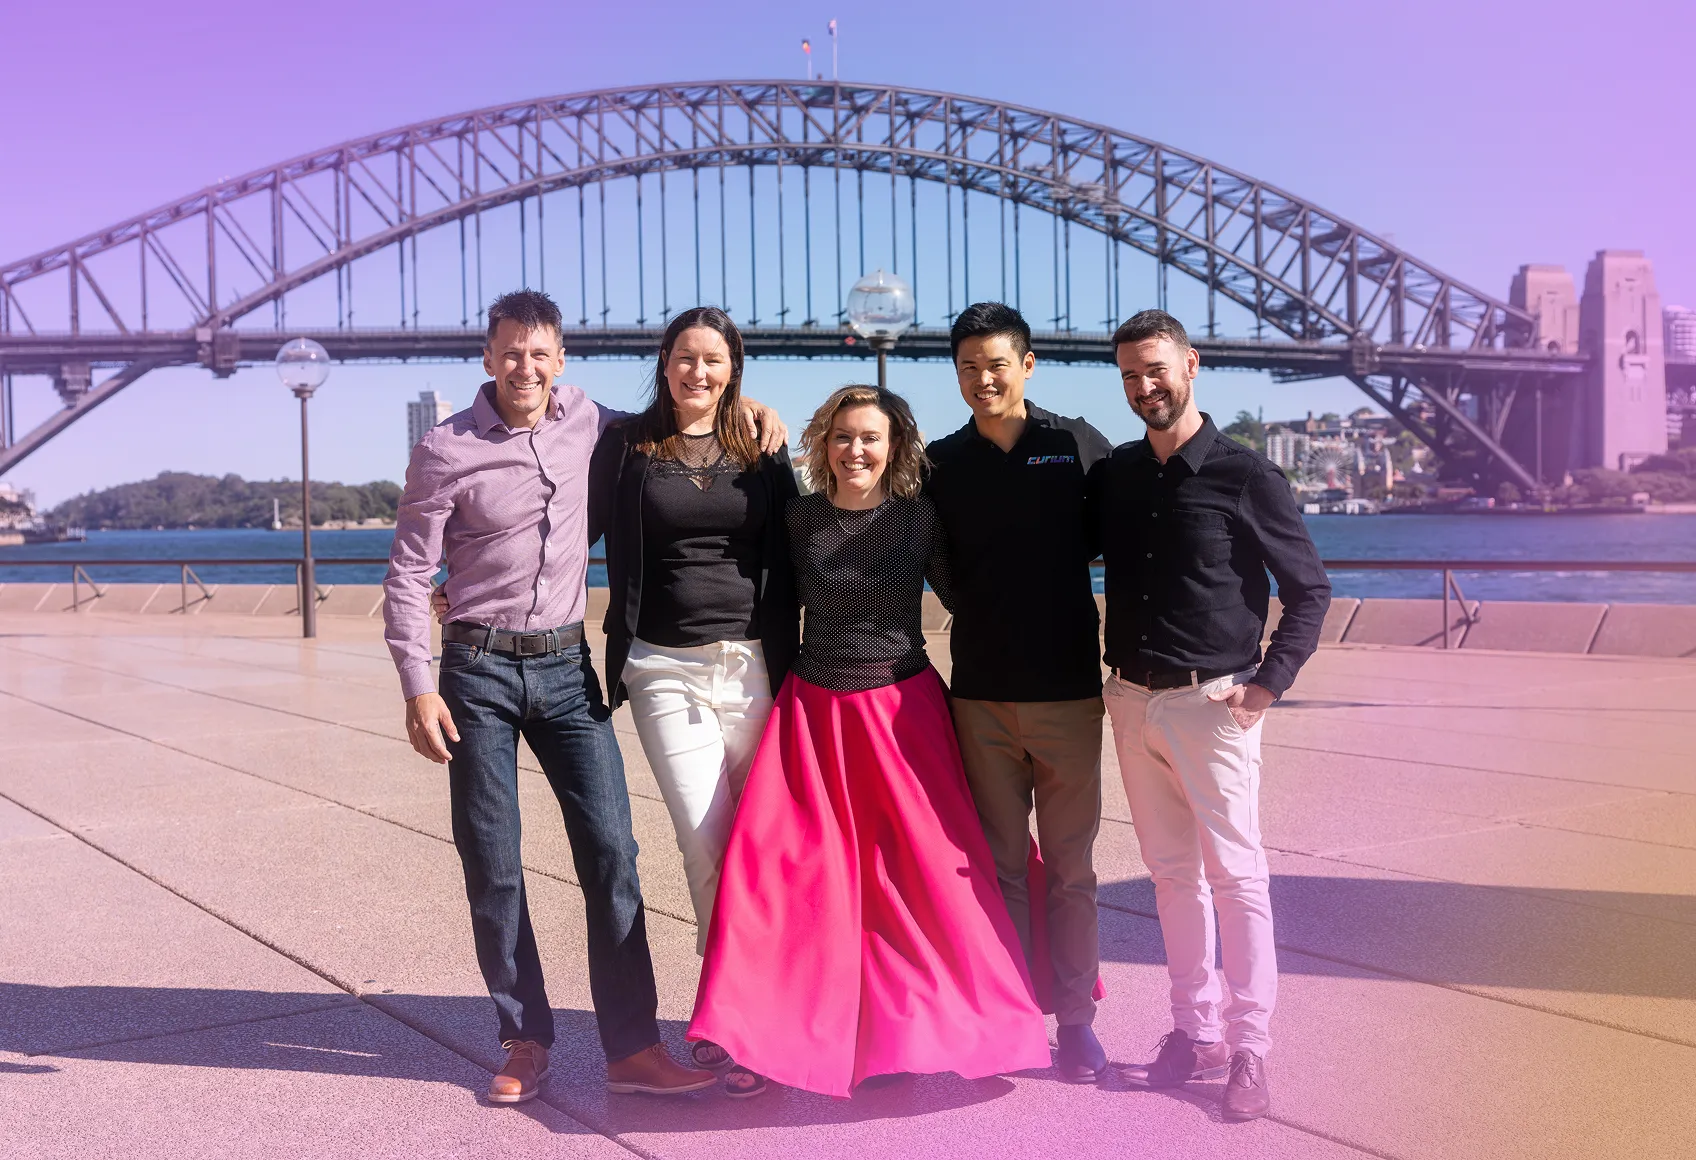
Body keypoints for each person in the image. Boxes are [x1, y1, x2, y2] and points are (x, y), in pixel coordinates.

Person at [384, 289, 785, 1106]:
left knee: (613, 855)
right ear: (488, 357)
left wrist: (758, 409)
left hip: (568, 671)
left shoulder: (596, 425)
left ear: (560, 359)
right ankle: (523, 1036)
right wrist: (417, 684)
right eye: (510, 352)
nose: (525, 367)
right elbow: (405, 573)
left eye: (540, 353)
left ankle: (633, 1049)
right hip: (477, 669)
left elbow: (692, 409)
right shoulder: (444, 448)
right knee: (493, 863)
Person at [687, 384, 1051, 1099]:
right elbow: (750, 593)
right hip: (812, 716)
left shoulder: (918, 520)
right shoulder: (797, 518)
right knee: (778, 876)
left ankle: (922, 1030)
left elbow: (972, 598)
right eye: (844, 437)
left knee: (924, 883)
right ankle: (751, 1034)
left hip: (902, 715)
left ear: (896, 448)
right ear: (824, 445)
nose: (857, 450)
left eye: (871, 438)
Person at [1091, 309, 1331, 1122]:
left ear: (1191, 365)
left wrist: (1268, 685)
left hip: (1212, 702)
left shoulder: (1246, 475)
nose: (1143, 387)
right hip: (1130, 699)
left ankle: (1250, 1047)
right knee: (1171, 878)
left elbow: (1309, 591)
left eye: (1155, 370)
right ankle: (1191, 1034)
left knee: (1238, 878)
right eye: (1128, 375)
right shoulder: (1118, 474)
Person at [585, 306, 800, 1077]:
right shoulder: (626, 446)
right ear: (664, 362)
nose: (698, 373)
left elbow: (804, 541)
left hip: (754, 666)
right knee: (705, 838)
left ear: (733, 366)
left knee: (758, 842)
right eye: (685, 358)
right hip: (662, 667)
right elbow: (557, 530)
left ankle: (759, 1000)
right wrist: (458, 583)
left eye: (713, 360)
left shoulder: (764, 447)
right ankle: (727, 1013)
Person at [925, 302, 1114, 1083]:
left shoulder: (1075, 446)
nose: (982, 379)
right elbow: (930, 560)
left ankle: (1076, 1024)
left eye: (997, 364)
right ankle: (1005, 1020)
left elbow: (1126, 537)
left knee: (1071, 869)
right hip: (981, 697)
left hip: (1069, 694)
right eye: (968, 367)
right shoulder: (940, 462)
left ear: (1027, 364)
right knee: (999, 868)